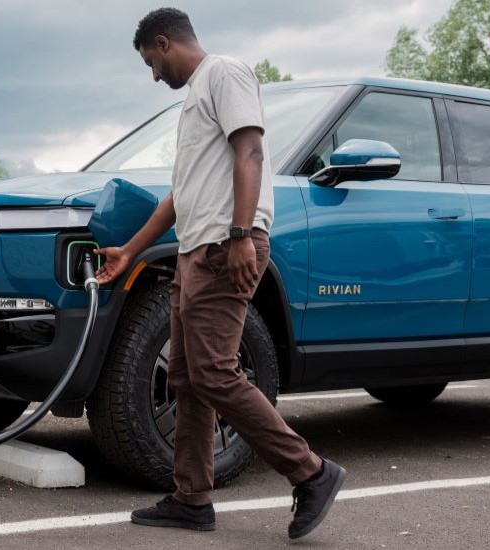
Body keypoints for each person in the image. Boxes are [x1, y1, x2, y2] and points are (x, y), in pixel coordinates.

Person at [94, 7, 346, 540]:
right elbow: (179, 197)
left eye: (150, 62)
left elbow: (251, 150)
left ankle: (312, 472)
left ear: (164, 43)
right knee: (188, 379)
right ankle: (191, 499)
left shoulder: (225, 73)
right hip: (196, 251)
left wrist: (240, 233)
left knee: (213, 372)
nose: (154, 75)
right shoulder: (195, 105)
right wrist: (132, 253)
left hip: (223, 247)